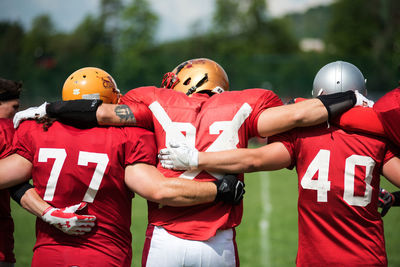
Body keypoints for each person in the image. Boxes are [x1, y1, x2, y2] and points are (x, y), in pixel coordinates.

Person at [12, 58, 368, 267]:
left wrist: (49, 108)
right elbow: (302, 114)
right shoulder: (247, 103)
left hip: (165, 238)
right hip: (220, 242)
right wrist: (352, 98)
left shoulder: (153, 101)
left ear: (186, 79)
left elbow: (103, 112)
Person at [159, 61, 400, 266]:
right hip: (368, 256)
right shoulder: (376, 137)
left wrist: (196, 158)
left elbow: (254, 159)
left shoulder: (301, 135)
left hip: (314, 259)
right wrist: (395, 198)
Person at [0, 67, 243, 267]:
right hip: (104, 253)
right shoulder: (129, 135)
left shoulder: (35, 131)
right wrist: (220, 189)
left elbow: (9, 178)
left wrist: (47, 212)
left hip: (48, 255)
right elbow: (159, 190)